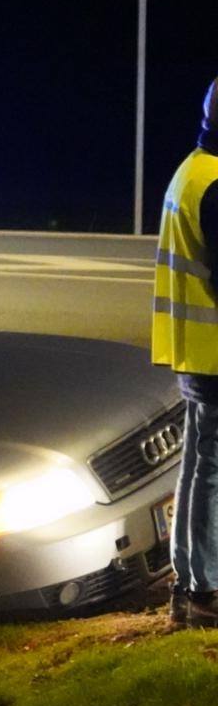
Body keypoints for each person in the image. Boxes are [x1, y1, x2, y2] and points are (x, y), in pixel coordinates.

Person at [155, 78, 218, 628]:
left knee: (198, 466)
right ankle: (207, 591)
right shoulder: (215, 183)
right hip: (215, 355)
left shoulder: (192, 169)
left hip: (196, 353)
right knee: (212, 471)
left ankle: (188, 582)